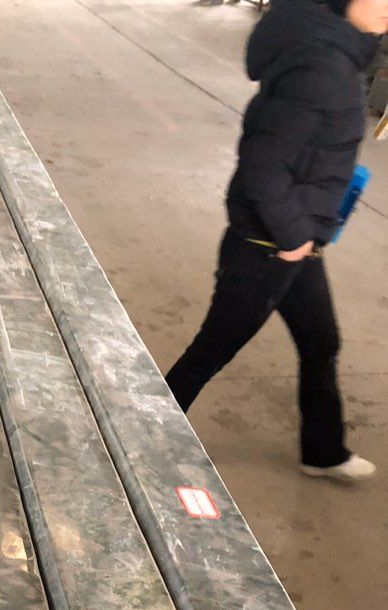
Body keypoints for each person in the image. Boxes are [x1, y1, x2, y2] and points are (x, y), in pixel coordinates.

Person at [166, 0, 387, 480]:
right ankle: (138, 430)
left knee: (320, 340)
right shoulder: (321, 67)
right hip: (268, 246)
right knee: (212, 349)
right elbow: (263, 164)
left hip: (296, 237)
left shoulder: (337, 53)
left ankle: (322, 451)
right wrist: (292, 235)